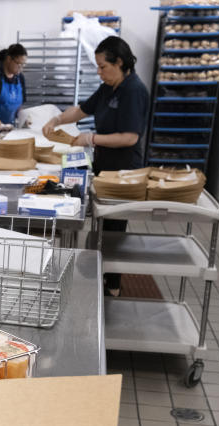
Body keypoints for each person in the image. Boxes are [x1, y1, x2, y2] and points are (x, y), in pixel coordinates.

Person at [42, 36, 149, 296]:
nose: (99, 72)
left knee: (114, 228)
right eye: (98, 67)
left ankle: (112, 285)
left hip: (123, 171)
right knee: (102, 225)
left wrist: (89, 138)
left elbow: (129, 137)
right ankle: (98, 274)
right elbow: (81, 110)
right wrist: (55, 119)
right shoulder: (108, 87)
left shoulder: (133, 90)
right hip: (104, 166)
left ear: (120, 62)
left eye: (103, 66)